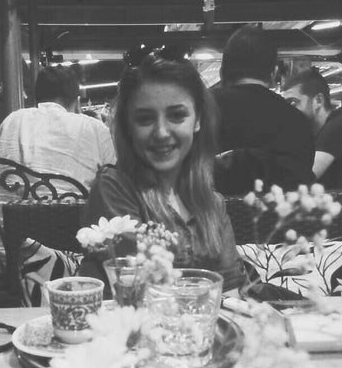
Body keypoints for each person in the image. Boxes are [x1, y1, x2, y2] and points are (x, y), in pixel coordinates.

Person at [80, 49, 246, 294]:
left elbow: (231, 289)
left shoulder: (212, 203)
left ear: (198, 120)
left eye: (176, 116)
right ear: (128, 127)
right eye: (145, 119)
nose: (161, 133)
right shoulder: (113, 188)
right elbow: (141, 289)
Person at [212, 25, 316, 195]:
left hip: (206, 211)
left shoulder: (198, 110)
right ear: (274, 73)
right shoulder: (298, 122)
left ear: (222, 72)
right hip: (282, 211)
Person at [0, 64, 116, 190]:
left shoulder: (12, 120)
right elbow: (116, 180)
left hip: (3, 202)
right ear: (76, 101)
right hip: (74, 203)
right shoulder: (93, 128)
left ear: (37, 98)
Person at [282, 67, 342, 189]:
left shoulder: (339, 126)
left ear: (318, 100)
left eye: (293, 103)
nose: (286, 112)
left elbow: (303, 179)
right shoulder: (315, 133)